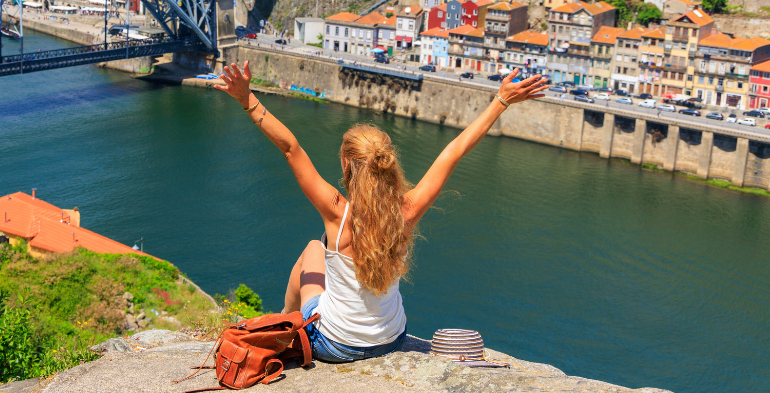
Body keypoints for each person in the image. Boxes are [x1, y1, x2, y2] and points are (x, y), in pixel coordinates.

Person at [213, 62, 548, 363]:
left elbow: (290, 148)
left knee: (313, 250)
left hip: (335, 346)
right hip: (391, 340)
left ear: (346, 164)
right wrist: (500, 101)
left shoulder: (337, 213)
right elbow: (453, 152)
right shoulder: (407, 211)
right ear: (388, 165)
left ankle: (284, 323)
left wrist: (246, 99)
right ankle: (287, 321)